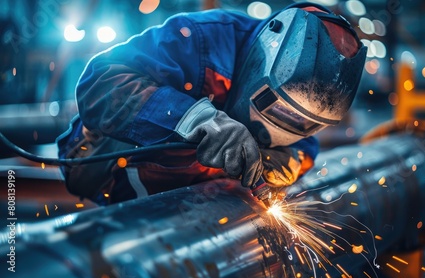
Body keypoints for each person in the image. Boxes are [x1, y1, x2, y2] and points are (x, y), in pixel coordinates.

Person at [56, 2, 367, 205]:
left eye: (300, 121)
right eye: (278, 107)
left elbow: (306, 144)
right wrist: (193, 119)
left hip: (190, 210)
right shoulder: (201, 39)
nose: (281, 125)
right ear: (262, 63)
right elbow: (100, 83)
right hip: (114, 186)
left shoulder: (312, 104)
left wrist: (286, 162)